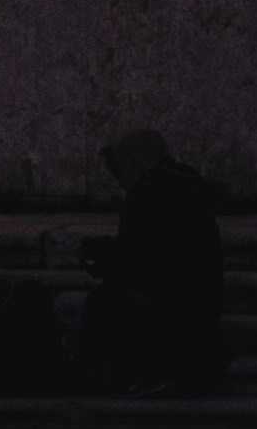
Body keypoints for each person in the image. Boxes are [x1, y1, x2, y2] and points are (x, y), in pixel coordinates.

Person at [70, 128, 227, 398]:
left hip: (164, 322)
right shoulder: (189, 194)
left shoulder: (148, 197)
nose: (120, 183)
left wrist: (94, 254)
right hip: (197, 326)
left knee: (81, 306)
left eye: (119, 173)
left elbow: (131, 265)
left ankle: (107, 375)